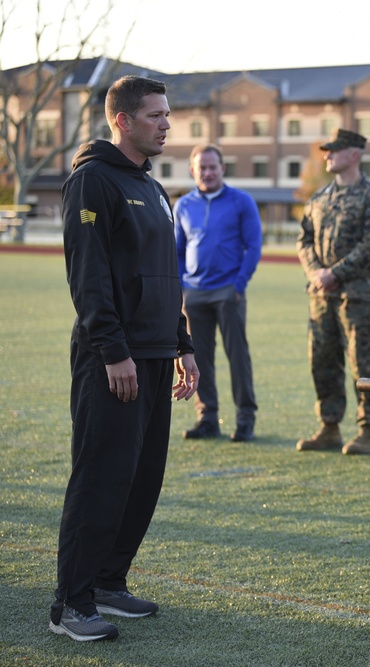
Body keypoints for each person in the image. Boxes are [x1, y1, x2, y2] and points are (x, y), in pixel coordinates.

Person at [52, 75, 199, 641]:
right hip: (112, 359)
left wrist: (182, 344)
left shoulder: (153, 187)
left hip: (157, 354)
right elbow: (88, 278)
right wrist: (114, 351)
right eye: (156, 115)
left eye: (167, 114)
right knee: (102, 477)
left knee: (142, 477)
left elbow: (164, 275)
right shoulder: (92, 182)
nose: (166, 124)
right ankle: (71, 604)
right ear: (123, 120)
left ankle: (110, 582)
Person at [295, 129, 370, 455]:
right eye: (326, 151)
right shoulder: (319, 198)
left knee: (362, 364)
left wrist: (334, 273)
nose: (327, 156)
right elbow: (304, 240)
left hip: (356, 296)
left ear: (354, 154)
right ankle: (330, 426)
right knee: (322, 360)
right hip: (321, 297)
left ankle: (368, 431)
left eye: (334, 150)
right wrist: (316, 274)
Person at [174, 144, 263, 443]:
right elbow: (177, 250)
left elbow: (253, 246)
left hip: (228, 291)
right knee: (198, 357)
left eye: (213, 167)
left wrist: (239, 286)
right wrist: (181, 287)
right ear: (193, 171)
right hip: (194, 293)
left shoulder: (242, 202)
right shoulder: (183, 205)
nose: (208, 172)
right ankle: (207, 417)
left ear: (223, 169)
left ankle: (245, 418)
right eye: (203, 168)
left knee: (237, 356)